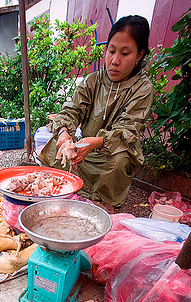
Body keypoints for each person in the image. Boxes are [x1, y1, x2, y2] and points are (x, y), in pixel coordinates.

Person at [38, 15, 154, 211]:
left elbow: (127, 130)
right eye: (111, 51)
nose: (115, 61)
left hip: (114, 151)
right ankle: (62, 191)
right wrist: (64, 132)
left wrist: (97, 142)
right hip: (86, 146)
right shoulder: (93, 80)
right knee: (54, 148)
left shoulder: (142, 88)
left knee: (117, 163)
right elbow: (72, 110)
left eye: (125, 54)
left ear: (139, 55)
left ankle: (102, 203)